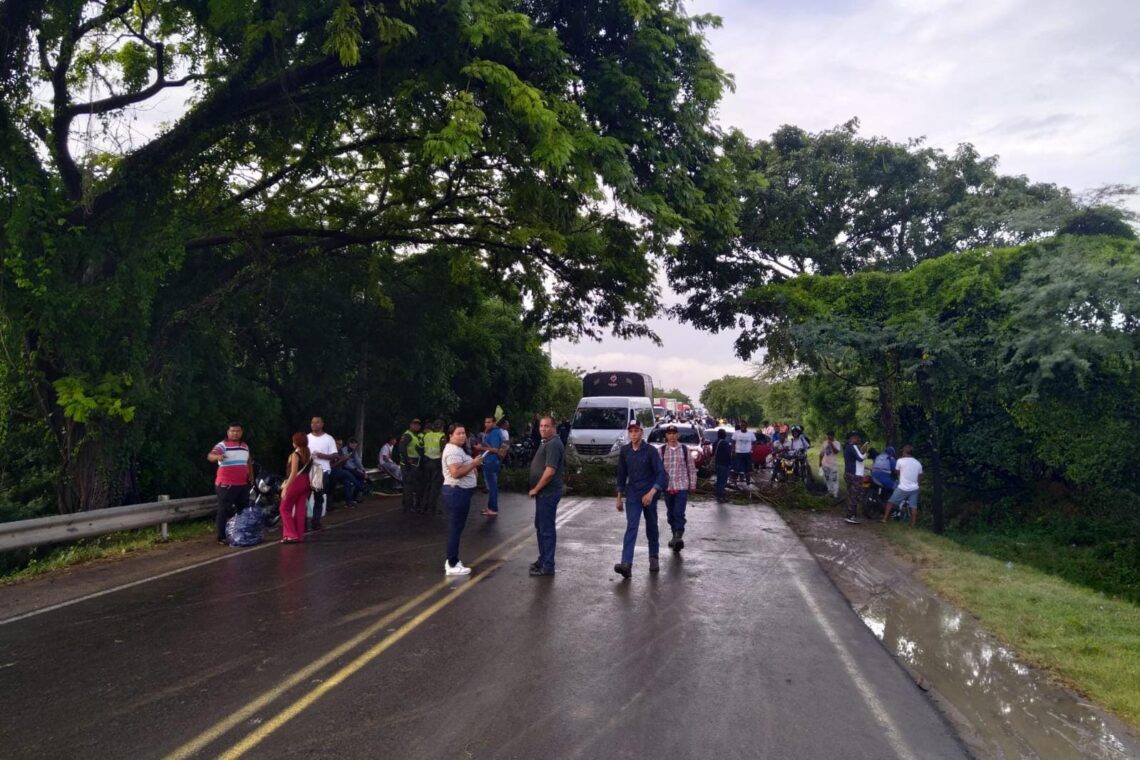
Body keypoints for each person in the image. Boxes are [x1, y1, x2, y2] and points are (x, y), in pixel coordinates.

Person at [613, 421, 667, 577]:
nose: (633, 434)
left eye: (636, 431)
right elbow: (621, 474)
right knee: (632, 526)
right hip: (633, 494)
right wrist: (619, 497)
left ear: (642, 432)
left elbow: (661, 474)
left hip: (649, 493)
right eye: (631, 431)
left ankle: (653, 557)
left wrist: (651, 493)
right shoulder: (625, 451)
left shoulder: (650, 451)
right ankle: (626, 564)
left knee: (652, 526)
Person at [441, 424, 484, 575]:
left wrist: (473, 466)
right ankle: (452, 564)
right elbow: (456, 473)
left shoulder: (459, 449)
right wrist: (473, 464)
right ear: (450, 436)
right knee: (455, 528)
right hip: (457, 492)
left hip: (461, 493)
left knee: (457, 528)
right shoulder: (452, 451)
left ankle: (453, 559)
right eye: (458, 433)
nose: (462, 436)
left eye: (463, 433)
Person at [527, 416, 565, 577]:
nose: (543, 428)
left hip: (548, 493)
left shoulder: (554, 444)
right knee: (541, 527)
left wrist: (536, 488)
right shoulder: (547, 442)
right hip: (544, 493)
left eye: (547, 426)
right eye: (541, 426)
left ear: (554, 427)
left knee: (547, 529)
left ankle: (548, 565)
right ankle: (543, 559)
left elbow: (550, 471)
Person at [207, 422, 252, 545]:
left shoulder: (244, 446)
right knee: (224, 510)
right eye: (232, 431)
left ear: (241, 432)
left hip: (242, 484)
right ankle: (221, 537)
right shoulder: (222, 445)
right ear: (228, 432)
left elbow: (248, 461)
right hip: (226, 485)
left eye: (238, 431)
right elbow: (210, 456)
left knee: (242, 510)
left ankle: (241, 534)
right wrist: (217, 457)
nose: (235, 433)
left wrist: (251, 476)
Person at [661, 424, 698, 553]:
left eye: (674, 433)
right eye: (669, 433)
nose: (672, 436)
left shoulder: (684, 450)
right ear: (666, 435)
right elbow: (657, 470)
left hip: (682, 486)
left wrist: (692, 485)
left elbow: (691, 469)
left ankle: (678, 536)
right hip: (667, 487)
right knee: (670, 514)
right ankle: (674, 536)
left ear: (678, 435)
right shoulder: (661, 451)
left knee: (678, 512)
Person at [278, 433, 312, 543]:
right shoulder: (309, 454)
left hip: (295, 483)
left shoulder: (295, 455)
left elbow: (293, 473)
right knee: (300, 510)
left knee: (284, 508)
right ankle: (299, 535)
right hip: (306, 482)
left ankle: (291, 535)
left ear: (296, 443)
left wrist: (285, 487)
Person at [307, 416, 338, 530]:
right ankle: (303, 523)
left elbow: (335, 455)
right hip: (307, 470)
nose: (314, 424)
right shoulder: (307, 438)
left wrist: (321, 455)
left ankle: (316, 522)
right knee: (305, 497)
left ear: (322, 424)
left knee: (318, 496)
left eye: (317, 422)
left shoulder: (328, 438)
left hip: (320, 470)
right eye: (312, 422)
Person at [884, 445, 923, 526]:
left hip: (903, 487)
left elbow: (897, 472)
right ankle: (913, 524)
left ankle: (884, 519)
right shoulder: (918, 463)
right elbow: (920, 476)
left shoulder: (900, 461)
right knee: (913, 506)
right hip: (914, 488)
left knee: (890, 502)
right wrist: (918, 485)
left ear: (904, 452)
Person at [475, 416, 506, 517]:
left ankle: (493, 509)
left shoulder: (495, 433)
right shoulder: (493, 432)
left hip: (491, 462)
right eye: (485, 422)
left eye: (489, 422)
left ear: (494, 423)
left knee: (492, 486)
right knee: (491, 485)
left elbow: (495, 449)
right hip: (490, 461)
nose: (486, 424)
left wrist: (480, 448)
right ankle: (490, 507)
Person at [398, 419, 425, 512]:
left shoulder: (417, 435)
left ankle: (408, 504)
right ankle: (408, 506)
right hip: (408, 463)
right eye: (414, 424)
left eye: (418, 425)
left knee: (412, 484)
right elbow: (401, 447)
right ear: (410, 425)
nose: (416, 426)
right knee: (408, 484)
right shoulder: (408, 435)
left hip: (415, 463)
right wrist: (407, 459)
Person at [332, 437, 367, 507]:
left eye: (340, 444)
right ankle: (361, 487)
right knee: (349, 474)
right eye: (338, 444)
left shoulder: (347, 451)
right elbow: (337, 465)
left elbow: (358, 462)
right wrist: (343, 460)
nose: (339, 446)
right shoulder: (338, 451)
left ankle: (350, 502)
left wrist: (363, 470)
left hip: (343, 471)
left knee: (348, 482)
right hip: (341, 470)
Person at [421, 419, 446, 514]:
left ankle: (423, 507)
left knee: (427, 485)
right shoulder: (441, 436)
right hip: (437, 463)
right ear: (442, 427)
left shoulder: (427, 435)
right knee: (435, 487)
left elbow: (419, 446)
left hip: (427, 462)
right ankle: (432, 508)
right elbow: (444, 452)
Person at [842, 431, 868, 525]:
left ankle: (851, 514)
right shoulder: (853, 446)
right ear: (852, 438)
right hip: (855, 474)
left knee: (850, 494)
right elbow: (860, 458)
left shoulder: (847, 446)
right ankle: (850, 516)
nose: (859, 439)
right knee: (854, 495)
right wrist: (866, 454)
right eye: (857, 437)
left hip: (849, 473)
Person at [818, 431, 841, 499]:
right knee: (827, 479)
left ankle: (835, 494)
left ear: (833, 436)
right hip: (825, 464)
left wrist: (831, 444)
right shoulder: (825, 442)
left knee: (834, 479)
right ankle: (829, 491)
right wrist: (820, 463)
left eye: (830, 435)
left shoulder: (837, 443)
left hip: (833, 464)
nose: (829, 437)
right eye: (828, 435)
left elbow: (836, 452)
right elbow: (821, 453)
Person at [713, 428, 732, 502]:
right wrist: (730, 463)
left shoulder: (715, 442)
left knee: (719, 480)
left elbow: (713, 453)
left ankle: (718, 495)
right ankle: (721, 497)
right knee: (722, 481)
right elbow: (728, 454)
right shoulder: (725, 443)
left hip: (717, 463)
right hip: (724, 464)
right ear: (724, 435)